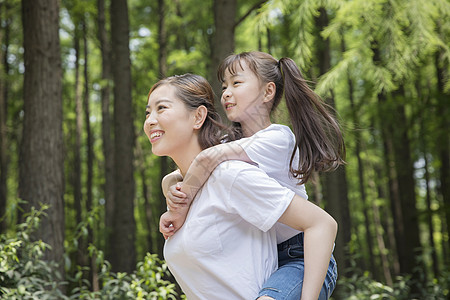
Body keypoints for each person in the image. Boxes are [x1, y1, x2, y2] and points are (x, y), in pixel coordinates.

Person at [160, 51, 345, 299]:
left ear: (268, 92)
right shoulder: (229, 143)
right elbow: (183, 171)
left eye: (236, 83)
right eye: (224, 86)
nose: (226, 92)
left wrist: (177, 211)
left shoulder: (277, 138)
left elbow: (205, 160)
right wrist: (173, 183)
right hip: (262, 258)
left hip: (301, 256)